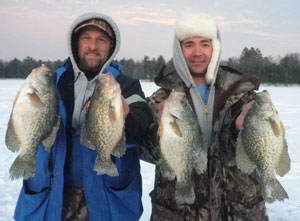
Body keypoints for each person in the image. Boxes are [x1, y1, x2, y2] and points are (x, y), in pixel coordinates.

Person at [13, 12, 152, 221]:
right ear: (75, 43)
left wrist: (127, 117)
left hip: (106, 197)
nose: (93, 46)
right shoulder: (52, 82)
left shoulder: (126, 85)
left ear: (111, 47)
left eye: (101, 40)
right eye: (86, 38)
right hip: (53, 195)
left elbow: (141, 124)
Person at [139, 13, 269, 220]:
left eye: (205, 44)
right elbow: (146, 153)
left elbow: (258, 152)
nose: (197, 52)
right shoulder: (161, 98)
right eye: (189, 44)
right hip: (178, 211)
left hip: (239, 211)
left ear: (215, 48)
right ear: (179, 50)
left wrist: (239, 132)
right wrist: (161, 133)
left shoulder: (244, 94)